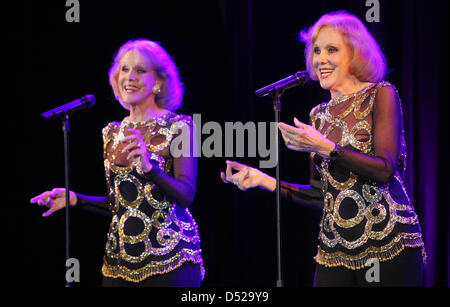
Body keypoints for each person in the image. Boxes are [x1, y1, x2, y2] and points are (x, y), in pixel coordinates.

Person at [221, 11, 426, 287]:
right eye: (316, 51)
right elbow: (320, 196)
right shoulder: (318, 115)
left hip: (388, 243)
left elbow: (385, 170)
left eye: (332, 50)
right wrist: (264, 180)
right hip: (334, 249)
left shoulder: (380, 94)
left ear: (355, 53)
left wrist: (328, 148)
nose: (320, 59)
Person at [30, 39, 205, 287]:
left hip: (170, 260)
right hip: (118, 263)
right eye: (125, 69)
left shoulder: (179, 126)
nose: (129, 77)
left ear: (158, 82)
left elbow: (186, 195)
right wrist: (76, 199)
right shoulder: (111, 133)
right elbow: (121, 206)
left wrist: (149, 168)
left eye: (140, 70)